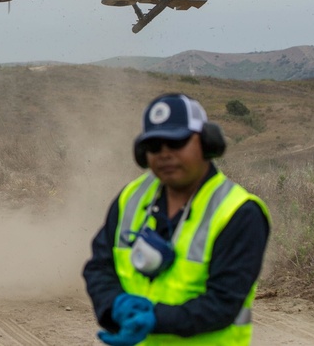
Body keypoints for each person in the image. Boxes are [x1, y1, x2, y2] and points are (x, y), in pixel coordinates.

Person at [83, 93, 270, 345]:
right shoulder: (131, 198)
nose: (164, 154)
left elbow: (222, 303)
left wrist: (155, 319)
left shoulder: (239, 212)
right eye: (154, 146)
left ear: (206, 143)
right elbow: (99, 267)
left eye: (176, 142)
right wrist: (114, 305)